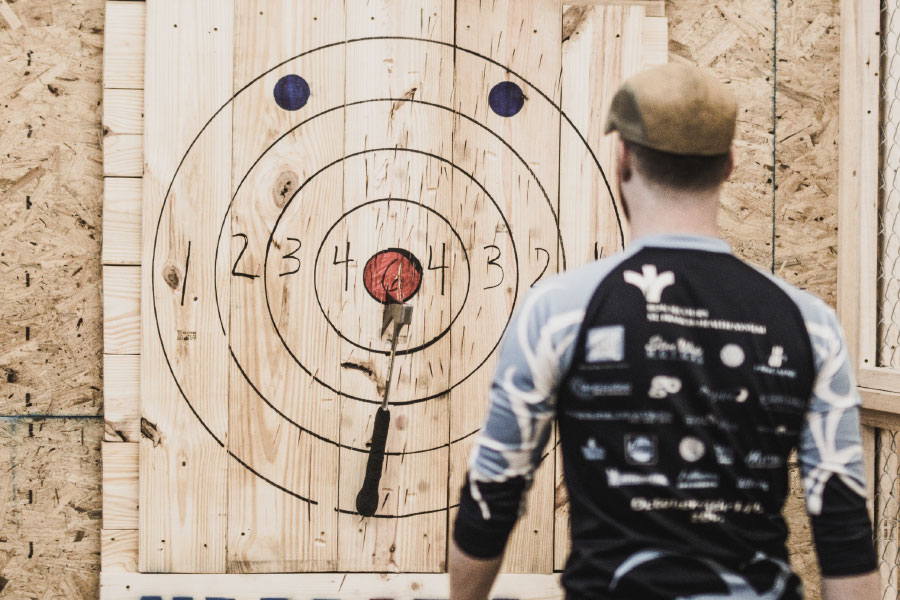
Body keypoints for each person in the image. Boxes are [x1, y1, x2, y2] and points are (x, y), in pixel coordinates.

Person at [448, 63, 879, 600]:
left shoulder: (557, 311)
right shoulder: (809, 323)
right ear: (728, 165)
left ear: (623, 158)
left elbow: (495, 489)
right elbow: (842, 524)